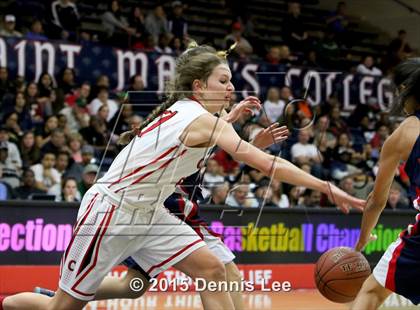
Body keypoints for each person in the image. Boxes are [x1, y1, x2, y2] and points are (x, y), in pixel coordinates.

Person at [2, 42, 364, 310]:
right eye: (223, 81)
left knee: (212, 267)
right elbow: (268, 165)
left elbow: (203, 139)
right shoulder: (198, 117)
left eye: (231, 80)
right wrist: (327, 186)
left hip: (151, 213)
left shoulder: (190, 113)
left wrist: (231, 120)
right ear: (198, 87)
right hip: (111, 213)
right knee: (61, 308)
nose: (230, 87)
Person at [351, 58, 420, 309]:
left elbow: (377, 200)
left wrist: (361, 241)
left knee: (370, 293)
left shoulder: (404, 133)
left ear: (404, 90)